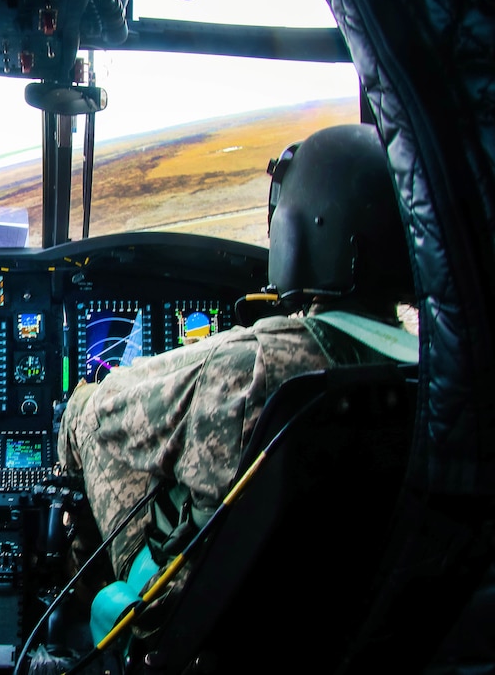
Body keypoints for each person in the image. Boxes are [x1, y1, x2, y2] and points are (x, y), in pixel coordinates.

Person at [56, 124, 416, 615]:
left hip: (198, 622)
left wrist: (83, 404)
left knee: (83, 413)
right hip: (353, 615)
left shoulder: (248, 367)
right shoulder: (439, 378)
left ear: (293, 238)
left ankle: (79, 614)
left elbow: (106, 413)